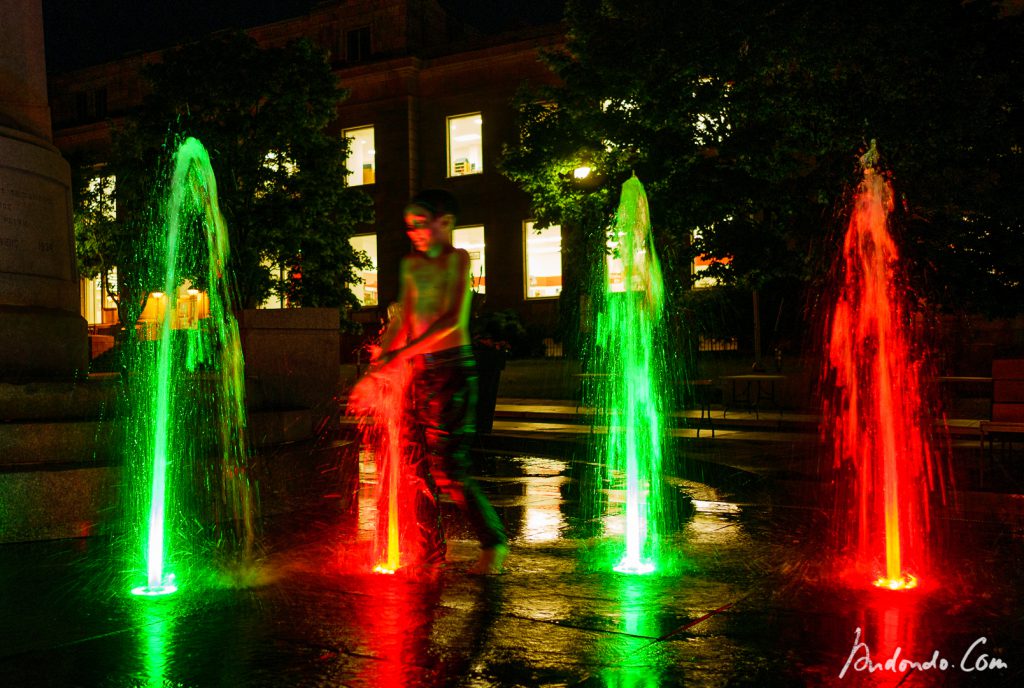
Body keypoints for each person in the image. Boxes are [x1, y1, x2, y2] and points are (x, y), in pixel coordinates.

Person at [349, 189, 508, 575]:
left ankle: (494, 543)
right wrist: (379, 365)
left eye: (421, 224)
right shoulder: (411, 266)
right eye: (409, 227)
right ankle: (430, 551)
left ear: (446, 223)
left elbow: (453, 320)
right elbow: (402, 320)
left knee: (448, 471)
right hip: (419, 370)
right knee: (413, 467)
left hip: (452, 370)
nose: (414, 233)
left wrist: (399, 356)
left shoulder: (458, 260)